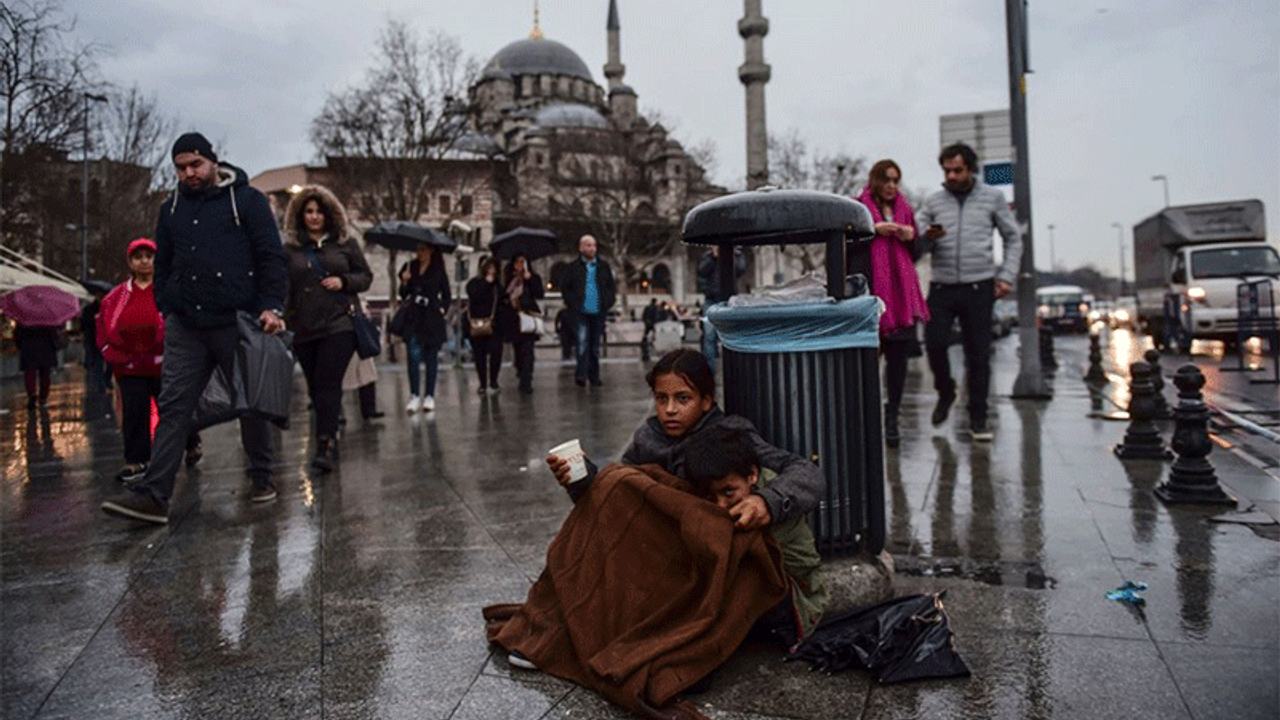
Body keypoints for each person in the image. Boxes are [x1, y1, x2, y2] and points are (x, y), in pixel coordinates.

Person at [101, 132, 288, 525]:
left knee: (251, 400)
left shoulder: (247, 201)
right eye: (181, 168)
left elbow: (271, 255)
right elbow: (163, 263)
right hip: (187, 323)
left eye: (195, 165)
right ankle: (155, 495)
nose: (189, 173)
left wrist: (271, 305)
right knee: (173, 406)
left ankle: (261, 476)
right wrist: (169, 305)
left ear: (212, 161)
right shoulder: (171, 210)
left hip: (236, 317)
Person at [547, 348, 824, 533]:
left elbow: (807, 473)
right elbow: (621, 496)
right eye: (661, 399)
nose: (669, 410)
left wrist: (766, 502)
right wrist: (583, 480)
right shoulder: (647, 438)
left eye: (683, 399)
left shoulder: (730, 433)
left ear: (705, 401)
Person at [683, 424, 829, 645]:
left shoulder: (767, 503)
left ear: (752, 475)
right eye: (711, 497)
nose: (721, 506)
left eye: (728, 492)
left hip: (797, 605)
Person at [917, 142, 1022, 442]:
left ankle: (978, 418)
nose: (951, 176)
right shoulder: (933, 201)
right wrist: (928, 237)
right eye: (946, 170)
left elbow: (1013, 238)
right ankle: (946, 391)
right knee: (934, 343)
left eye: (957, 170)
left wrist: (1006, 277)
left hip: (980, 286)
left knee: (978, 355)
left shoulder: (992, 198)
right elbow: (916, 241)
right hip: (942, 285)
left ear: (971, 169)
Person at [282, 185, 372, 472]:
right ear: (300, 215)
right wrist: (281, 318)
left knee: (328, 383)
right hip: (304, 328)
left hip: (339, 324)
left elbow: (365, 277)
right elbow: (284, 288)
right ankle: (328, 432)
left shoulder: (345, 245)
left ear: (329, 214)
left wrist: (343, 281)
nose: (314, 216)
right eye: (308, 211)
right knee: (315, 388)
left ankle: (325, 443)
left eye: (319, 211)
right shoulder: (290, 251)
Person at [97, 238, 202, 483]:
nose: (144, 261)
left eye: (149, 256)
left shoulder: (169, 290)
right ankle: (136, 460)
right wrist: (111, 354)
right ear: (130, 262)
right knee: (135, 412)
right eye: (138, 257)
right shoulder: (116, 297)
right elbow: (103, 328)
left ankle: (191, 442)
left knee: (174, 410)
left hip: (167, 364)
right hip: (130, 366)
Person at [852, 159, 930, 448]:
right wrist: (873, 231)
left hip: (900, 302)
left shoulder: (906, 209)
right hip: (872, 299)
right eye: (886, 180)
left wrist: (911, 238)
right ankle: (865, 419)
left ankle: (892, 418)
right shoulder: (858, 208)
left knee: (898, 367)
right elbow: (846, 248)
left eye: (896, 180)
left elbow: (917, 252)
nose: (891, 186)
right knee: (866, 367)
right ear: (875, 180)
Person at [399, 241, 451, 413]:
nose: (419, 253)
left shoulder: (438, 269)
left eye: (422, 250)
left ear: (430, 251)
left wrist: (442, 309)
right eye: (417, 249)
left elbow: (446, 294)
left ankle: (429, 396)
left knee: (431, 358)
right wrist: (404, 282)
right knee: (413, 356)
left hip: (432, 317)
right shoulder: (410, 267)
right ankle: (414, 395)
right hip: (414, 316)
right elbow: (403, 294)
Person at [558, 234, 615, 387]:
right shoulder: (573, 267)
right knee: (582, 344)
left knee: (595, 346)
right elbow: (565, 288)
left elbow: (611, 287)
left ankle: (594, 376)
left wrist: (607, 303)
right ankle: (581, 375)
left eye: (594, 245)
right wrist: (572, 303)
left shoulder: (603, 266)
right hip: (580, 312)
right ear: (581, 248)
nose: (592, 249)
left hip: (598, 312)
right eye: (588, 245)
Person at [499, 252, 545, 395]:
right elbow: (503, 296)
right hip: (513, 319)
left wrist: (529, 280)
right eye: (517, 262)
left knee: (527, 350)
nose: (520, 265)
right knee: (518, 350)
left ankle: (527, 380)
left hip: (528, 317)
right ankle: (520, 371)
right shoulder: (508, 279)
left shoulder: (533, 277)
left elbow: (539, 294)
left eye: (523, 262)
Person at [696, 245, 746, 372]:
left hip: (730, 300)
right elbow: (701, 270)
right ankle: (710, 371)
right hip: (711, 299)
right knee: (709, 336)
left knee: (732, 336)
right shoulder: (709, 254)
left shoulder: (737, 253)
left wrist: (730, 255)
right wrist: (713, 257)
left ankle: (735, 369)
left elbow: (740, 269)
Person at [466, 256, 504, 395]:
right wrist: (485, 283)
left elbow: (501, 299)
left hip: (495, 325)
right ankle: (482, 382)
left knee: (496, 354)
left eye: (493, 268)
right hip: (478, 323)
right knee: (479, 355)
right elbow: (474, 295)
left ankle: (493, 381)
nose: (491, 271)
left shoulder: (498, 286)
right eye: (488, 267)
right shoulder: (474, 284)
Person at [13, 321, 60, 410]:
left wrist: (21, 346)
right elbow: (53, 334)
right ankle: (43, 398)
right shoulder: (47, 318)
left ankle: (32, 395)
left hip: (28, 349)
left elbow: (17, 335)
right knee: (45, 375)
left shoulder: (24, 317)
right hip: (46, 349)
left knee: (30, 374)